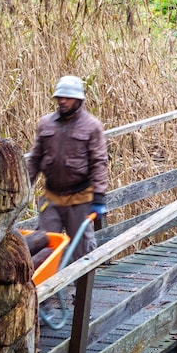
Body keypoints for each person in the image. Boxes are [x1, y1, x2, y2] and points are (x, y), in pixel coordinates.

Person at [27, 75, 108, 262]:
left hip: (79, 199)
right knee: (43, 246)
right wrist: (25, 186)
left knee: (81, 250)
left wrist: (99, 197)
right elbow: (35, 159)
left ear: (78, 100)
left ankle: (80, 291)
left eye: (67, 98)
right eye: (59, 97)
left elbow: (99, 162)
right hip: (52, 198)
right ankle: (45, 290)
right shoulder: (46, 124)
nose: (62, 101)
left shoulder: (91, 126)